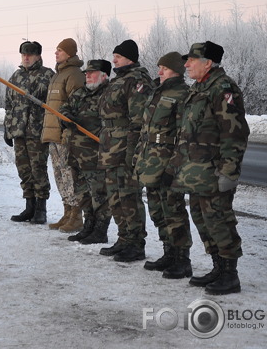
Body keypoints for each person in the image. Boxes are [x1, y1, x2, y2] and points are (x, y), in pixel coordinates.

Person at [166, 41, 250, 295]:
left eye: (192, 60)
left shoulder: (223, 89)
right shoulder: (199, 89)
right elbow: (187, 133)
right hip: (195, 171)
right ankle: (218, 267)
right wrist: (176, 165)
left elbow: (234, 133)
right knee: (202, 219)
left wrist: (229, 171)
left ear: (208, 63)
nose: (186, 64)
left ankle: (230, 274)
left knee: (219, 220)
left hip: (214, 170)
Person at [134, 52, 193, 279]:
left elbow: (184, 135)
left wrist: (175, 166)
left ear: (176, 71)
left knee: (174, 211)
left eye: (164, 69)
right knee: (157, 210)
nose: (159, 72)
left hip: (169, 162)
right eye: (159, 68)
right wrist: (139, 157)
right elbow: (146, 130)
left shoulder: (182, 95)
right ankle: (168, 252)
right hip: (151, 162)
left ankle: (182, 259)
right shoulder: (157, 93)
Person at [97, 39, 155, 262]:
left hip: (124, 150)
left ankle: (136, 243)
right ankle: (123, 239)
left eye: (118, 57)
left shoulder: (137, 81)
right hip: (110, 148)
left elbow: (138, 120)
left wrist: (132, 152)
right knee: (115, 197)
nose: (114, 60)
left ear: (130, 58)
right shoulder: (118, 80)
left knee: (129, 197)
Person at [59, 59, 112, 244]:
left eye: (92, 72)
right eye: (86, 72)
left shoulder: (108, 94)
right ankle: (88, 225)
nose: (87, 75)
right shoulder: (80, 93)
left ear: (104, 75)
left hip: (95, 155)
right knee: (82, 193)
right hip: (75, 153)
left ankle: (100, 230)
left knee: (99, 194)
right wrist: (66, 117)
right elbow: (64, 106)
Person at [4, 41, 55, 224]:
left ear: (38, 56)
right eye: (23, 54)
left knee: (38, 169)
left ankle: (41, 209)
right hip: (19, 131)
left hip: (37, 131)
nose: (26, 58)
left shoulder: (47, 76)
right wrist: (8, 128)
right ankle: (29, 206)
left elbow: (55, 104)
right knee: (23, 169)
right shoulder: (16, 77)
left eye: (30, 54)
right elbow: (9, 105)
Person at [41, 38, 85, 232]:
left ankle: (76, 216)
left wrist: (69, 129)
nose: (56, 53)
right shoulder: (57, 75)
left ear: (69, 53)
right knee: (59, 176)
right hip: (53, 135)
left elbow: (76, 105)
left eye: (60, 50)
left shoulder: (74, 74)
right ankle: (67, 212)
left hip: (65, 136)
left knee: (69, 176)